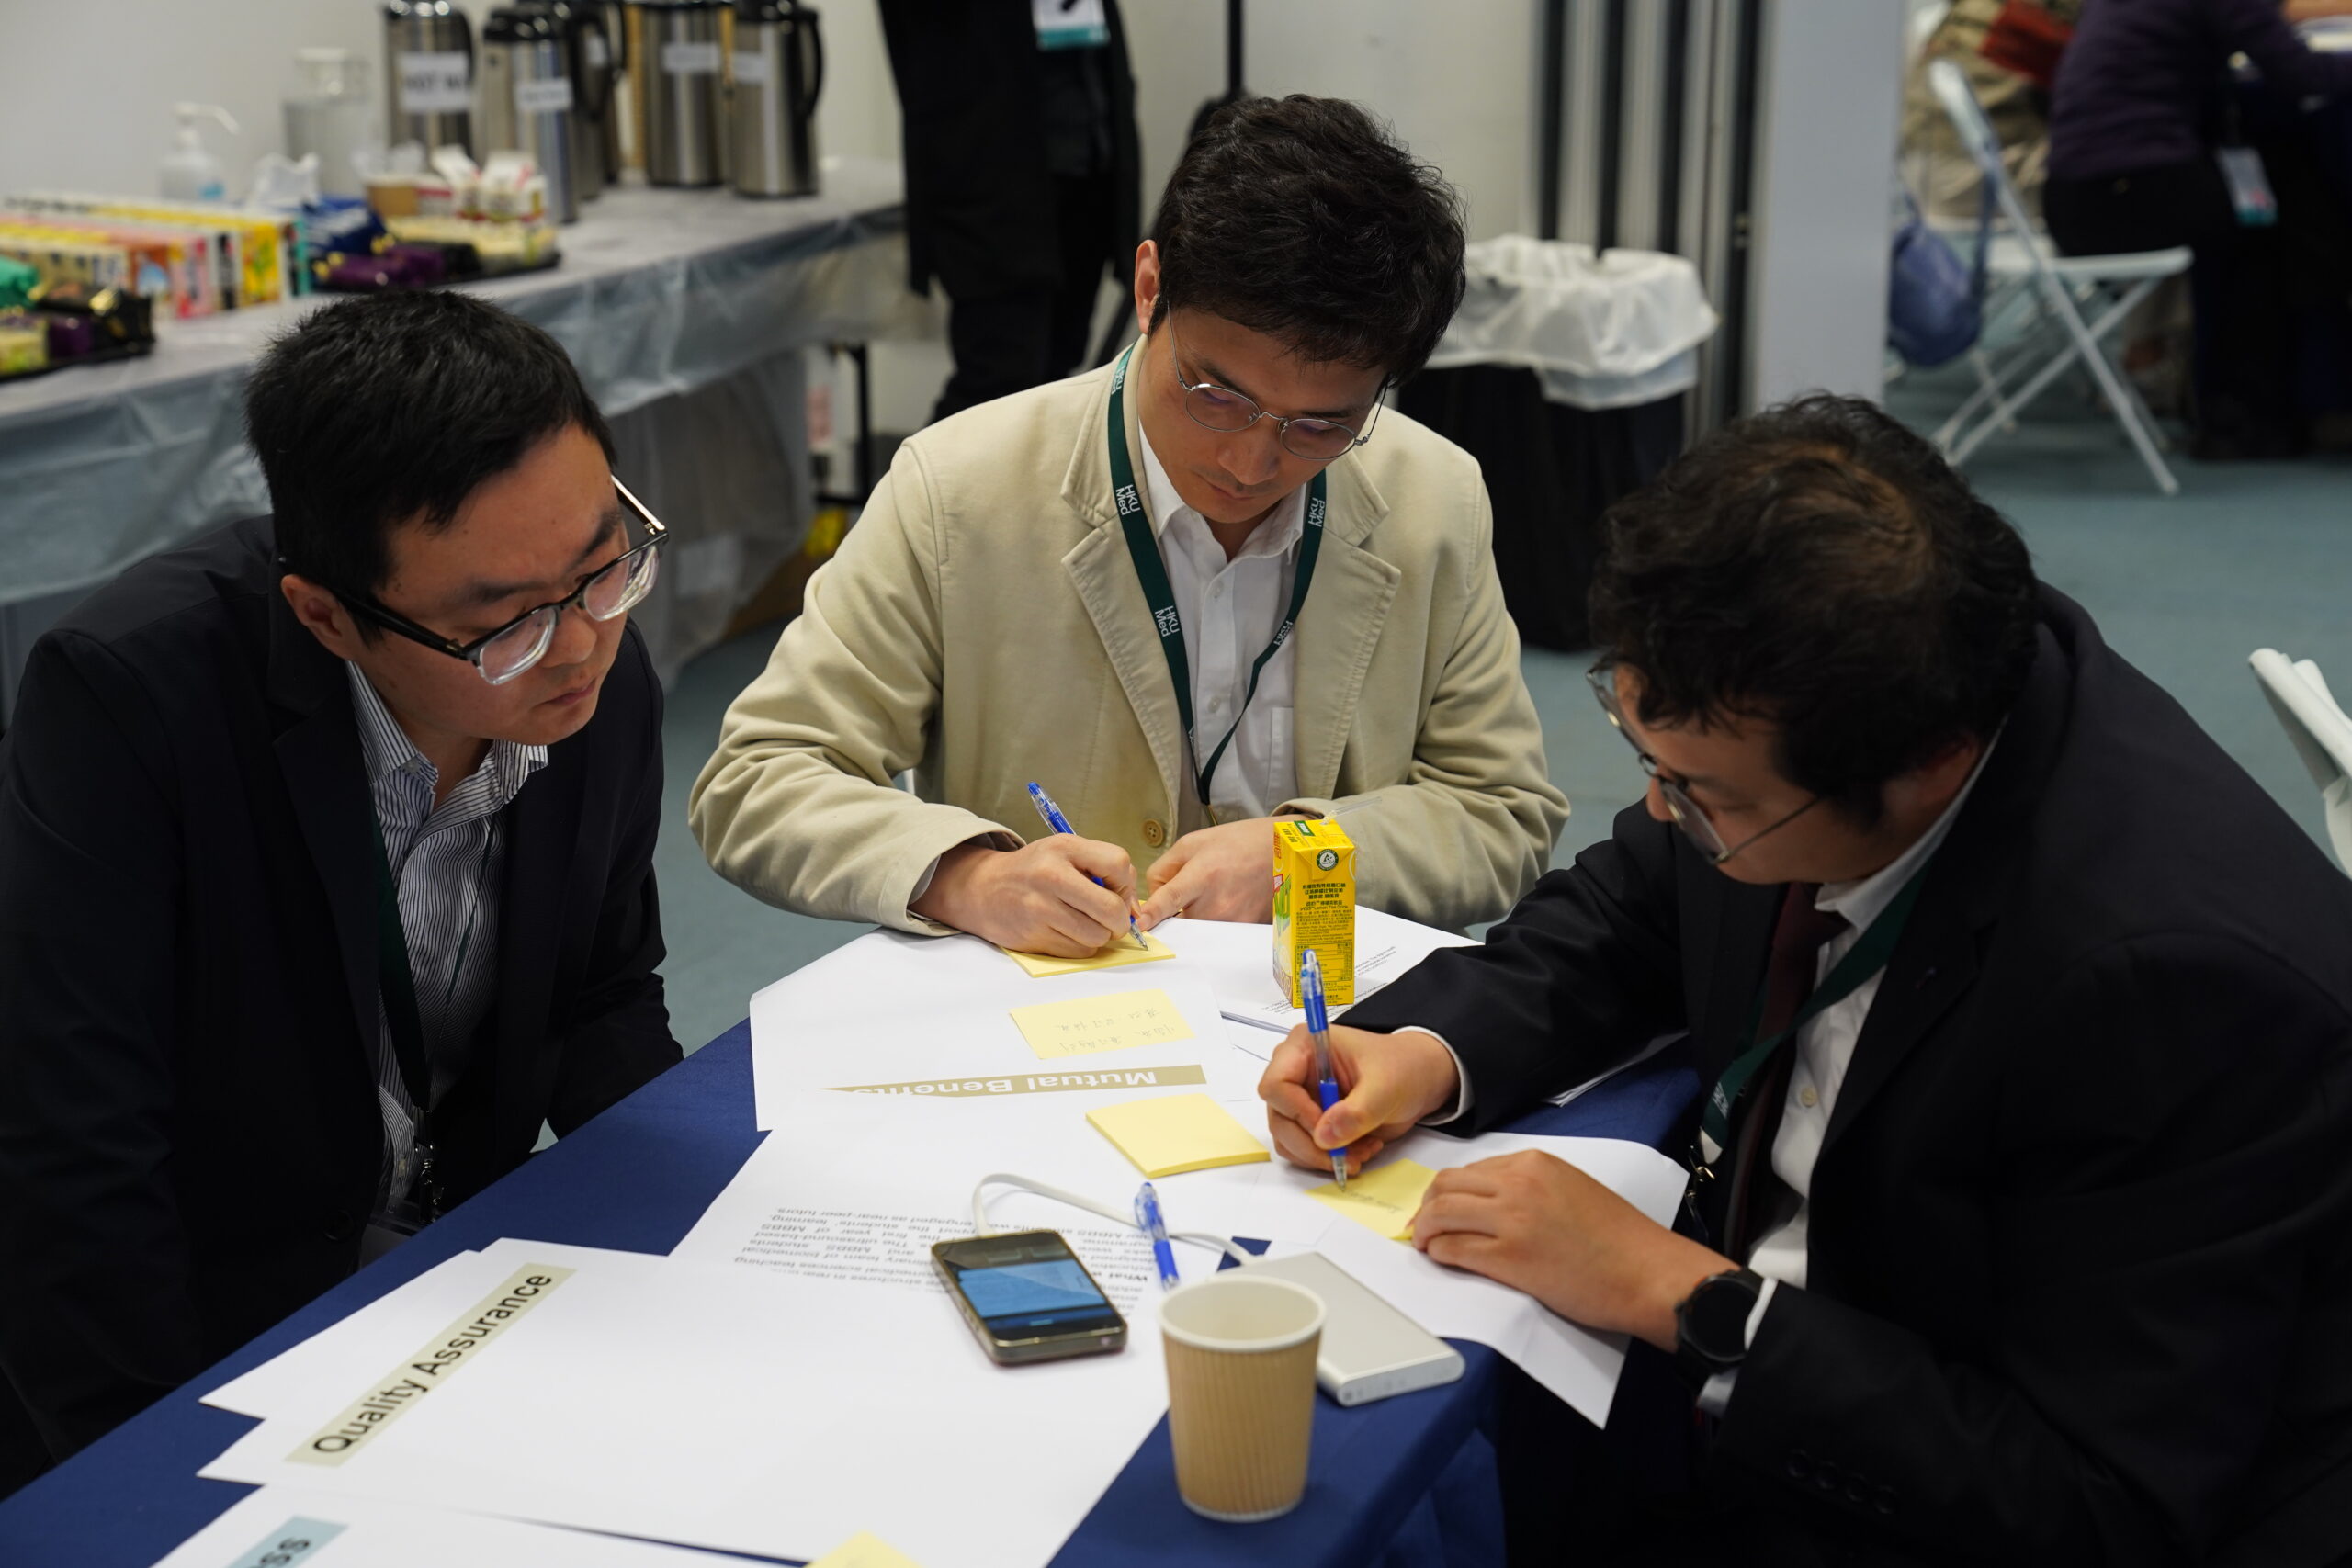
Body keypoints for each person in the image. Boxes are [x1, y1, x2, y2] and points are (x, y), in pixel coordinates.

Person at [1259, 395, 2352, 1562]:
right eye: (1644, 757)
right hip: (1776, 1355)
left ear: (1926, 769)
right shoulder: (1801, 697)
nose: (1657, 811)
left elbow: (2087, 1500)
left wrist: (1688, 1298)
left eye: (1702, 797)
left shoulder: (2174, 990)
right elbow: (1632, 905)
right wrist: (1427, 1050)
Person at [0, 291, 681, 1494]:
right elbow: (75, 1142)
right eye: (504, 620)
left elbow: (601, 994)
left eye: (603, 565)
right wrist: (156, 1481)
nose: (581, 642)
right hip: (201, 1319)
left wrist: (708, 1234)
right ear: (326, 615)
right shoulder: (130, 701)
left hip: (448, 1298)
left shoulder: (587, 686)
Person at [693, 96, 1567, 955]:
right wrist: (967, 876)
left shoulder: (1434, 498)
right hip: (1050, 1010)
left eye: (1320, 426)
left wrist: (1307, 856)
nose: (1250, 463)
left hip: (1326, 1017)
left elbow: (1503, 813)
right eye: (1215, 395)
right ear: (1151, 289)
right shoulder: (958, 489)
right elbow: (759, 778)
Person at [2044, 0, 2352, 457]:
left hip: (2080, 193)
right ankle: (2252, 414)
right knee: (2276, 223)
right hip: (2121, 193)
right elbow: (2302, 74)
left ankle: (2265, 406)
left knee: (2277, 202)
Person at [876, 0, 1142, 422]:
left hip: (1087, 148)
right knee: (998, 379)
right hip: (990, 166)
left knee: (1057, 373)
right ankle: (920, 469)